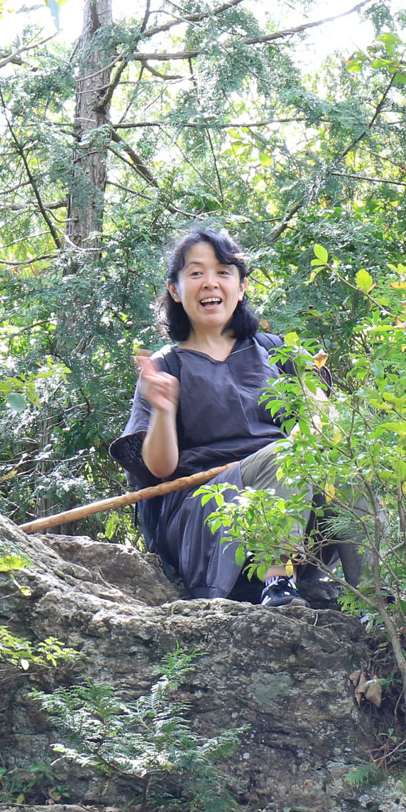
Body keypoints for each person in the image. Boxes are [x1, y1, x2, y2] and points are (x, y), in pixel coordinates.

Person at [109, 227, 322, 606]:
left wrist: (315, 421)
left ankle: (380, 600)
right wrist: (162, 409)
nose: (211, 282)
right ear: (175, 290)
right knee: (282, 457)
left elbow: (325, 421)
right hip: (202, 511)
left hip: (291, 496)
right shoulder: (166, 366)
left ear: (240, 287)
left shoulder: (280, 352)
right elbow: (159, 470)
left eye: (224, 272)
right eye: (196, 273)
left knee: (349, 471)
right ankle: (276, 580)